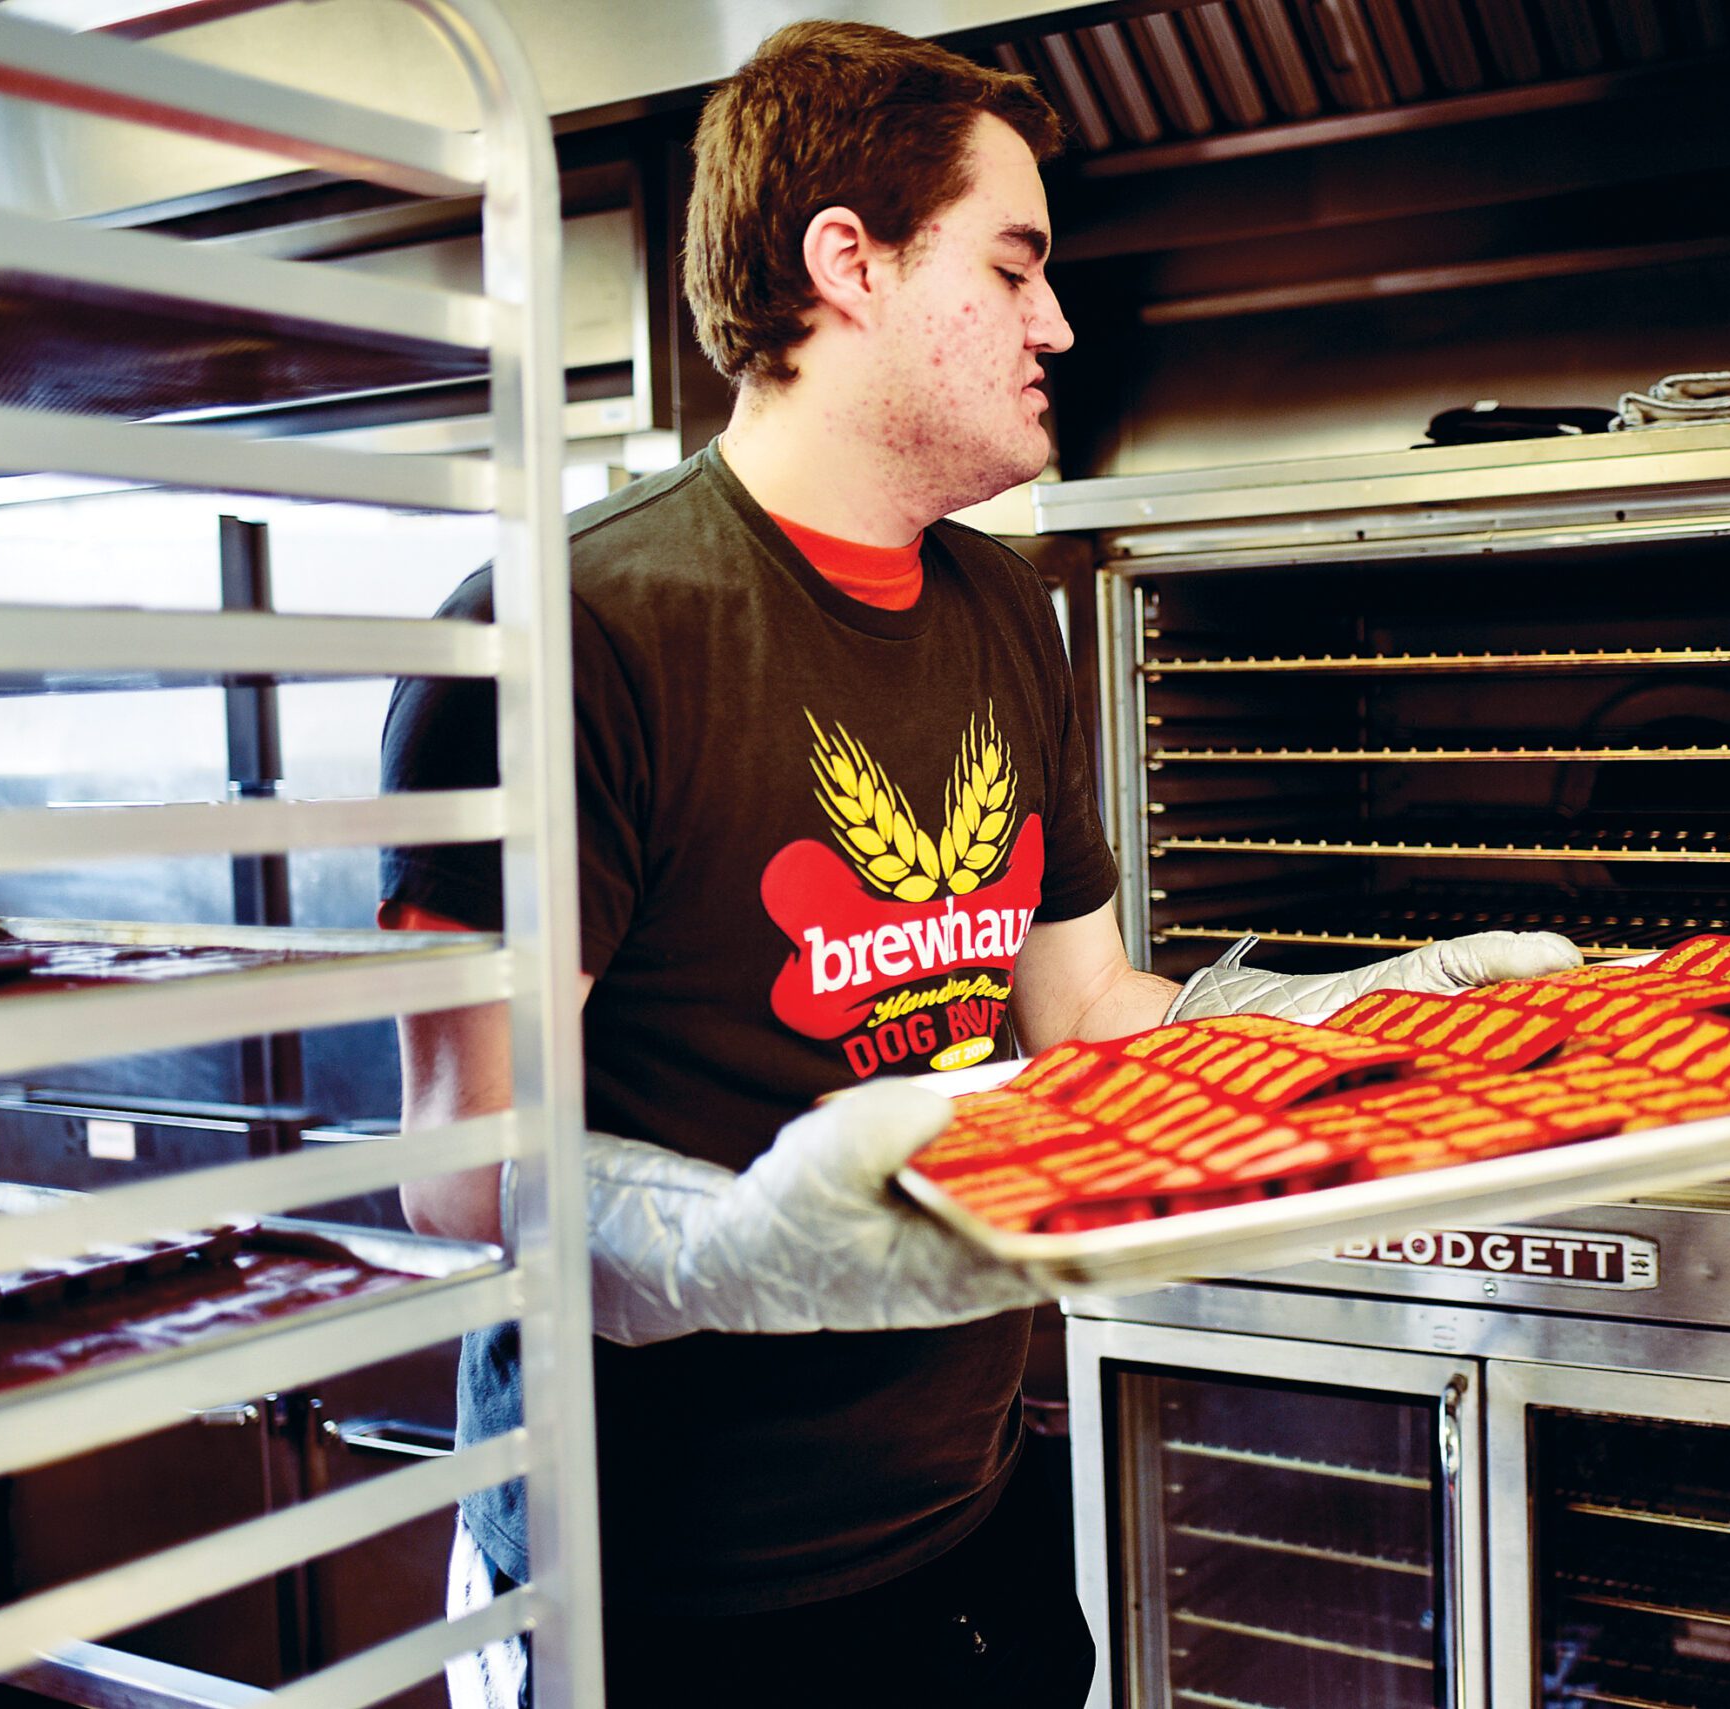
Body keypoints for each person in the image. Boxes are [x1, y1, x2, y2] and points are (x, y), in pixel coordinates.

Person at [379, 21, 1578, 1708]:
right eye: (1015, 265)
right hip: (654, 1591)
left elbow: (1084, 1011)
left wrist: (1374, 1018)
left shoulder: (1007, 612)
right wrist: (729, 1249)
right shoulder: (573, 633)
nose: (1058, 321)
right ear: (846, 263)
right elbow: (455, 1171)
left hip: (970, 1523)